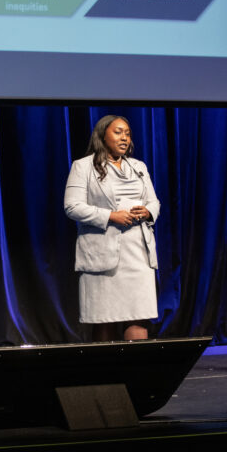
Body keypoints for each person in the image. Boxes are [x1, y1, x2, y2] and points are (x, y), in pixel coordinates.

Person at [64, 115, 160, 341]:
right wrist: (110, 216)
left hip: (138, 252)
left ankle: (136, 365)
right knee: (105, 318)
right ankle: (106, 365)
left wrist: (147, 212)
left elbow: (154, 201)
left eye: (127, 133)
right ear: (102, 135)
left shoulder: (138, 167)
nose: (124, 138)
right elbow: (72, 206)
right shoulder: (83, 166)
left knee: (138, 316)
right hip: (102, 253)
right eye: (118, 132)